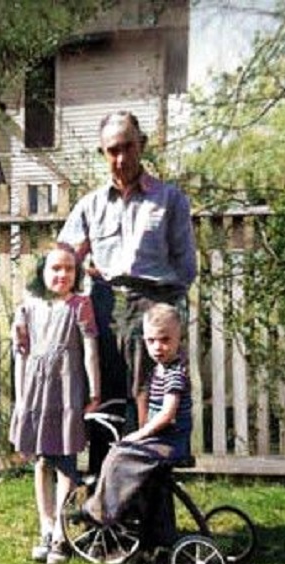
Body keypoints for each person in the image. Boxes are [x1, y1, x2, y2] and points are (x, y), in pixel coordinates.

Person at [58, 111, 196, 462]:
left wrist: (165, 315)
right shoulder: (90, 205)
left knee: (147, 396)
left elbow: (186, 268)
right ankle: (103, 486)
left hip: (153, 305)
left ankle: (147, 488)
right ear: (102, 153)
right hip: (104, 303)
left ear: (142, 145)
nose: (121, 159)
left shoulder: (170, 200)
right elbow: (63, 259)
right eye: (112, 151)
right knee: (103, 394)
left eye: (128, 147)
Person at [9, 242, 101, 564]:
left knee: (65, 462)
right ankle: (46, 527)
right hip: (35, 393)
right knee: (42, 461)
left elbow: (90, 351)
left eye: (69, 269)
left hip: (67, 392)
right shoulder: (28, 307)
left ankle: (62, 533)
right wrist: (21, 398)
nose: (62, 274)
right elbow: (21, 356)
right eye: (55, 268)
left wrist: (94, 392)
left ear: (77, 273)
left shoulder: (81, 305)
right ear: (42, 271)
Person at [79, 303, 192, 544]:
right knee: (117, 454)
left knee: (120, 456)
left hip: (170, 442)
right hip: (162, 439)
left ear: (178, 338)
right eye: (151, 341)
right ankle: (106, 508)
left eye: (165, 340)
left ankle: (103, 511)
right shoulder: (160, 369)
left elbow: (167, 414)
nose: (158, 347)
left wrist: (140, 435)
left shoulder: (174, 374)